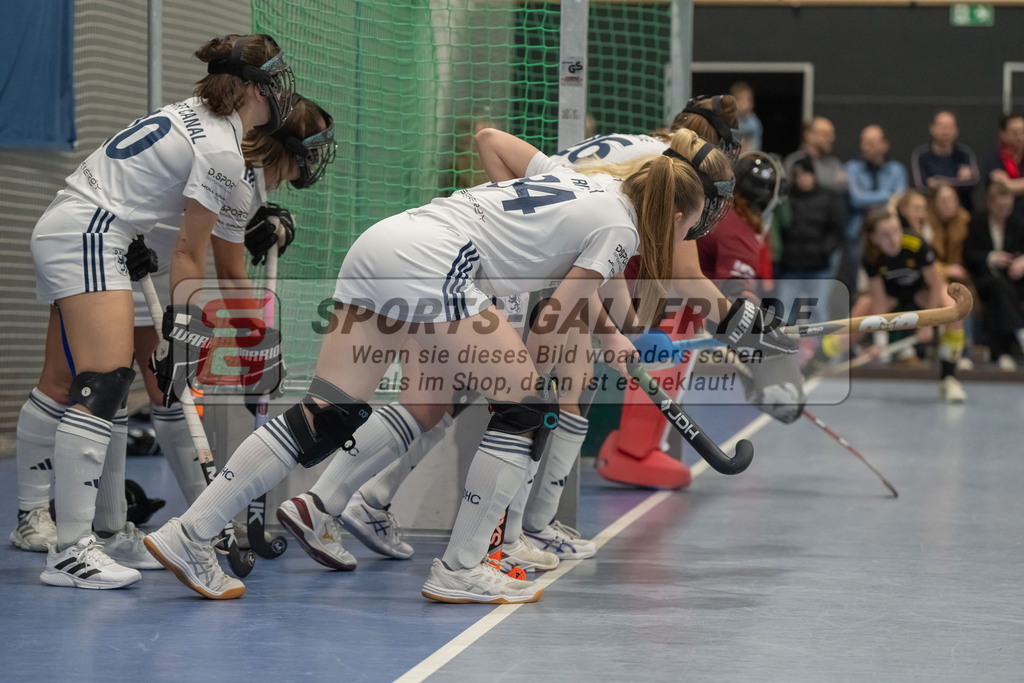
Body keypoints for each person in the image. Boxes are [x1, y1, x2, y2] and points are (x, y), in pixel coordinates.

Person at [143, 125, 792, 604]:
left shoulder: (590, 184)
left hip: (384, 242)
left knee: (327, 414)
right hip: (436, 264)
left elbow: (593, 296)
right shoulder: (621, 227)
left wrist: (614, 338)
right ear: (676, 212)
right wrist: (537, 377)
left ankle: (189, 531)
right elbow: (551, 317)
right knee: (527, 406)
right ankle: (459, 567)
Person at [287, 97, 746, 569]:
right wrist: (725, 325)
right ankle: (507, 539)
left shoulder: (640, 155)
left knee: (437, 399)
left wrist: (607, 326)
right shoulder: (662, 185)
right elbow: (658, 274)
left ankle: (333, 500)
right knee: (532, 403)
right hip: (494, 272)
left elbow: (494, 146)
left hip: (467, 261)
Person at [23, 34, 294, 590]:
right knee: (102, 383)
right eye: (272, 82)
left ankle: (93, 529)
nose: (279, 94)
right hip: (94, 234)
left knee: (80, 382)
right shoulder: (222, 148)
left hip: (83, 225)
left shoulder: (193, 114)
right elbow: (190, 254)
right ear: (248, 89)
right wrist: (186, 334)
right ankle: (71, 551)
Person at [855, 209, 967, 402]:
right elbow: (879, 299)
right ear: (873, 238)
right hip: (892, 297)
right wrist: (880, 341)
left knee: (952, 310)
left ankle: (949, 378)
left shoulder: (916, 243)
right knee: (862, 308)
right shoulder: (871, 256)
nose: (894, 238)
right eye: (885, 234)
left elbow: (935, 285)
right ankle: (820, 360)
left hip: (922, 293)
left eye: (896, 230)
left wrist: (928, 323)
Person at [773, 156, 845, 324]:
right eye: (798, 175)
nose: (802, 178)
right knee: (783, 312)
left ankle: (817, 349)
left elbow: (837, 230)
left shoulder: (829, 198)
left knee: (818, 312)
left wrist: (824, 250)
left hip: (819, 266)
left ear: (813, 175)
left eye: (806, 174)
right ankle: (779, 348)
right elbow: (780, 230)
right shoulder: (786, 199)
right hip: (792, 266)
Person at [963, 183, 1024, 371]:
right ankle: (1019, 332)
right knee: (998, 287)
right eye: (1000, 207)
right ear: (990, 203)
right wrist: (992, 257)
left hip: (1013, 281)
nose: (1004, 211)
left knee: (998, 300)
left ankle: (1001, 353)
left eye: (1008, 207)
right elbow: (969, 255)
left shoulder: (1018, 222)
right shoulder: (977, 222)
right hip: (984, 279)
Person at [842, 125, 907, 293]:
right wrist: (887, 194)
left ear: (884, 145)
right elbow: (856, 199)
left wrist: (870, 197)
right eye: (863, 142)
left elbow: (899, 200)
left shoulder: (896, 170)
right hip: (858, 234)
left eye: (870, 142)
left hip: (888, 231)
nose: (864, 147)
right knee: (857, 284)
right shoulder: (852, 168)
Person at [910, 110, 980, 213]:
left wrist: (939, 182)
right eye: (941, 127)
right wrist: (958, 181)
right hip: (931, 211)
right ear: (932, 128)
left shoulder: (964, 153)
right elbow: (921, 185)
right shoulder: (920, 155)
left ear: (956, 130)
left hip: (962, 209)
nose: (945, 131)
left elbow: (973, 181)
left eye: (949, 127)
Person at [783, 117, 848, 196]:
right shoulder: (794, 161)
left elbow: (845, 186)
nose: (831, 139)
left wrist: (814, 183)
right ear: (809, 135)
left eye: (832, 135)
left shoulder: (834, 163)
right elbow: (787, 190)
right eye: (825, 134)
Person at [925, 184, 971, 286]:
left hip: (963, 272)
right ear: (934, 203)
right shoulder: (926, 225)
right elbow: (925, 259)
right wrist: (945, 270)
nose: (949, 204)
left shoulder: (966, 220)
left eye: (952, 199)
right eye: (944, 201)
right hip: (936, 276)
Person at [981, 112, 1024, 220]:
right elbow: (1002, 188)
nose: (1020, 137)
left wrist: (1010, 183)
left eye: (1023, 132)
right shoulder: (994, 159)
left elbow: (1008, 185)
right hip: (1004, 218)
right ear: (1003, 134)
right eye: (1015, 133)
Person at [730, 81, 762, 154]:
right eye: (742, 100)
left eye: (749, 100)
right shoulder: (726, 120)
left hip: (748, 157)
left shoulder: (754, 122)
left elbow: (756, 147)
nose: (746, 104)